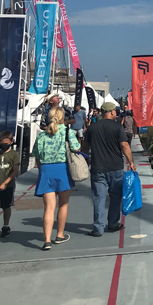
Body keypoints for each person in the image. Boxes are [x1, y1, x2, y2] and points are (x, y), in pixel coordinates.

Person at [85, 102, 136, 237]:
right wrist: (131, 162)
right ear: (112, 112)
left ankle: (98, 228)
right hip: (115, 167)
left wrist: (86, 159)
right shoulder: (117, 127)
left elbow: (86, 145)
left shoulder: (93, 127)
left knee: (98, 198)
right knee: (115, 197)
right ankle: (113, 223)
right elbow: (124, 145)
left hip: (98, 167)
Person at [32, 107, 79, 250]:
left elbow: (36, 154)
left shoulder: (42, 135)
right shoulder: (67, 132)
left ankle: (47, 240)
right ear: (62, 117)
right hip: (62, 169)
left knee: (49, 208)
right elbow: (76, 148)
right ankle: (59, 234)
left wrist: (42, 168)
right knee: (63, 204)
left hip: (46, 170)